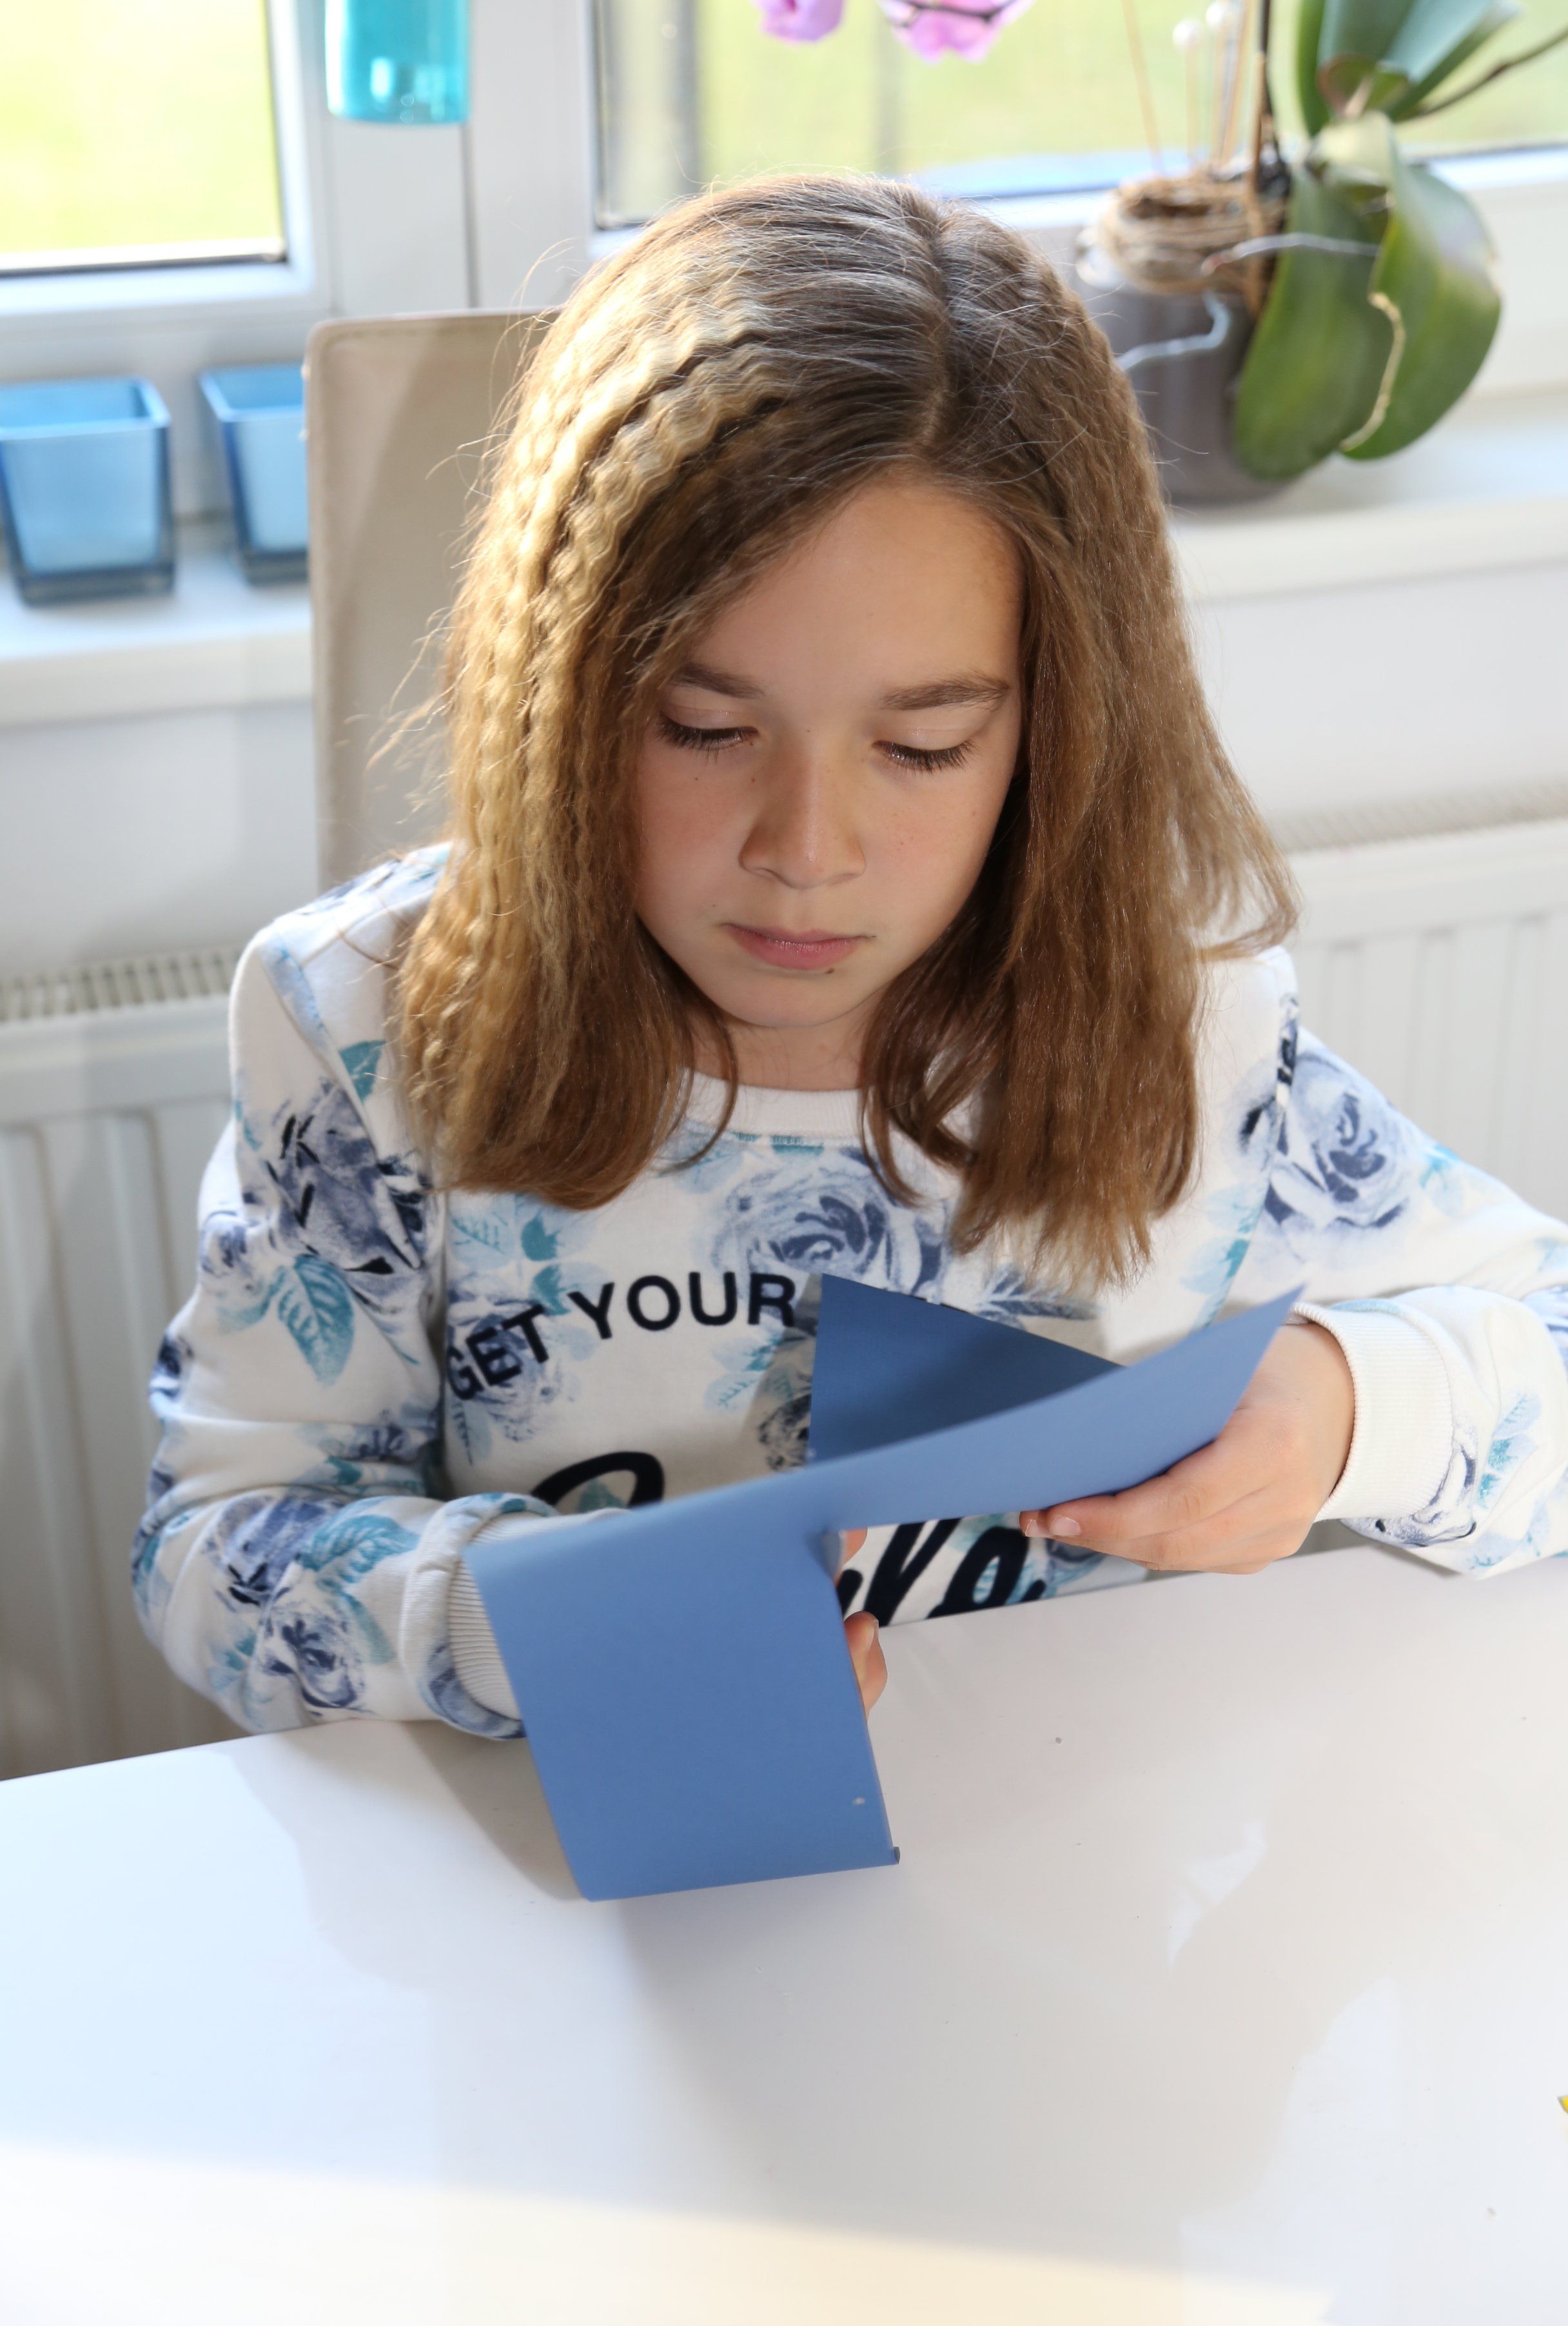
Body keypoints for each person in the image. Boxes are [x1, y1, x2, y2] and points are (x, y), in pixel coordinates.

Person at [137, 175, 1568, 1739]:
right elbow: (217, 1544)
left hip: (1078, 1838)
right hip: (564, 1867)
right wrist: (529, 1620)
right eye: (704, 727)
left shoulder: (1183, 1036)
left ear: (1054, 728)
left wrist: (1349, 1410)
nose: (805, 850)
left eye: (923, 744)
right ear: (559, 694)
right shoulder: (363, 1024)